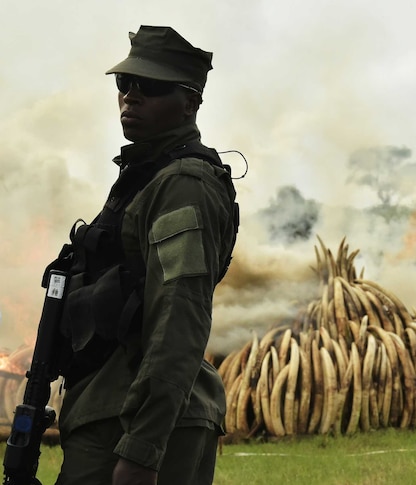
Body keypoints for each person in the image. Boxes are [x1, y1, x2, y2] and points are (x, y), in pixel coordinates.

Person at [54, 26, 238, 485]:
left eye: (150, 87)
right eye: (124, 85)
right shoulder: (146, 178)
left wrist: (143, 447)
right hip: (114, 409)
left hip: (138, 420)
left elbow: (180, 316)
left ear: (191, 102)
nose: (131, 97)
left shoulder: (182, 186)